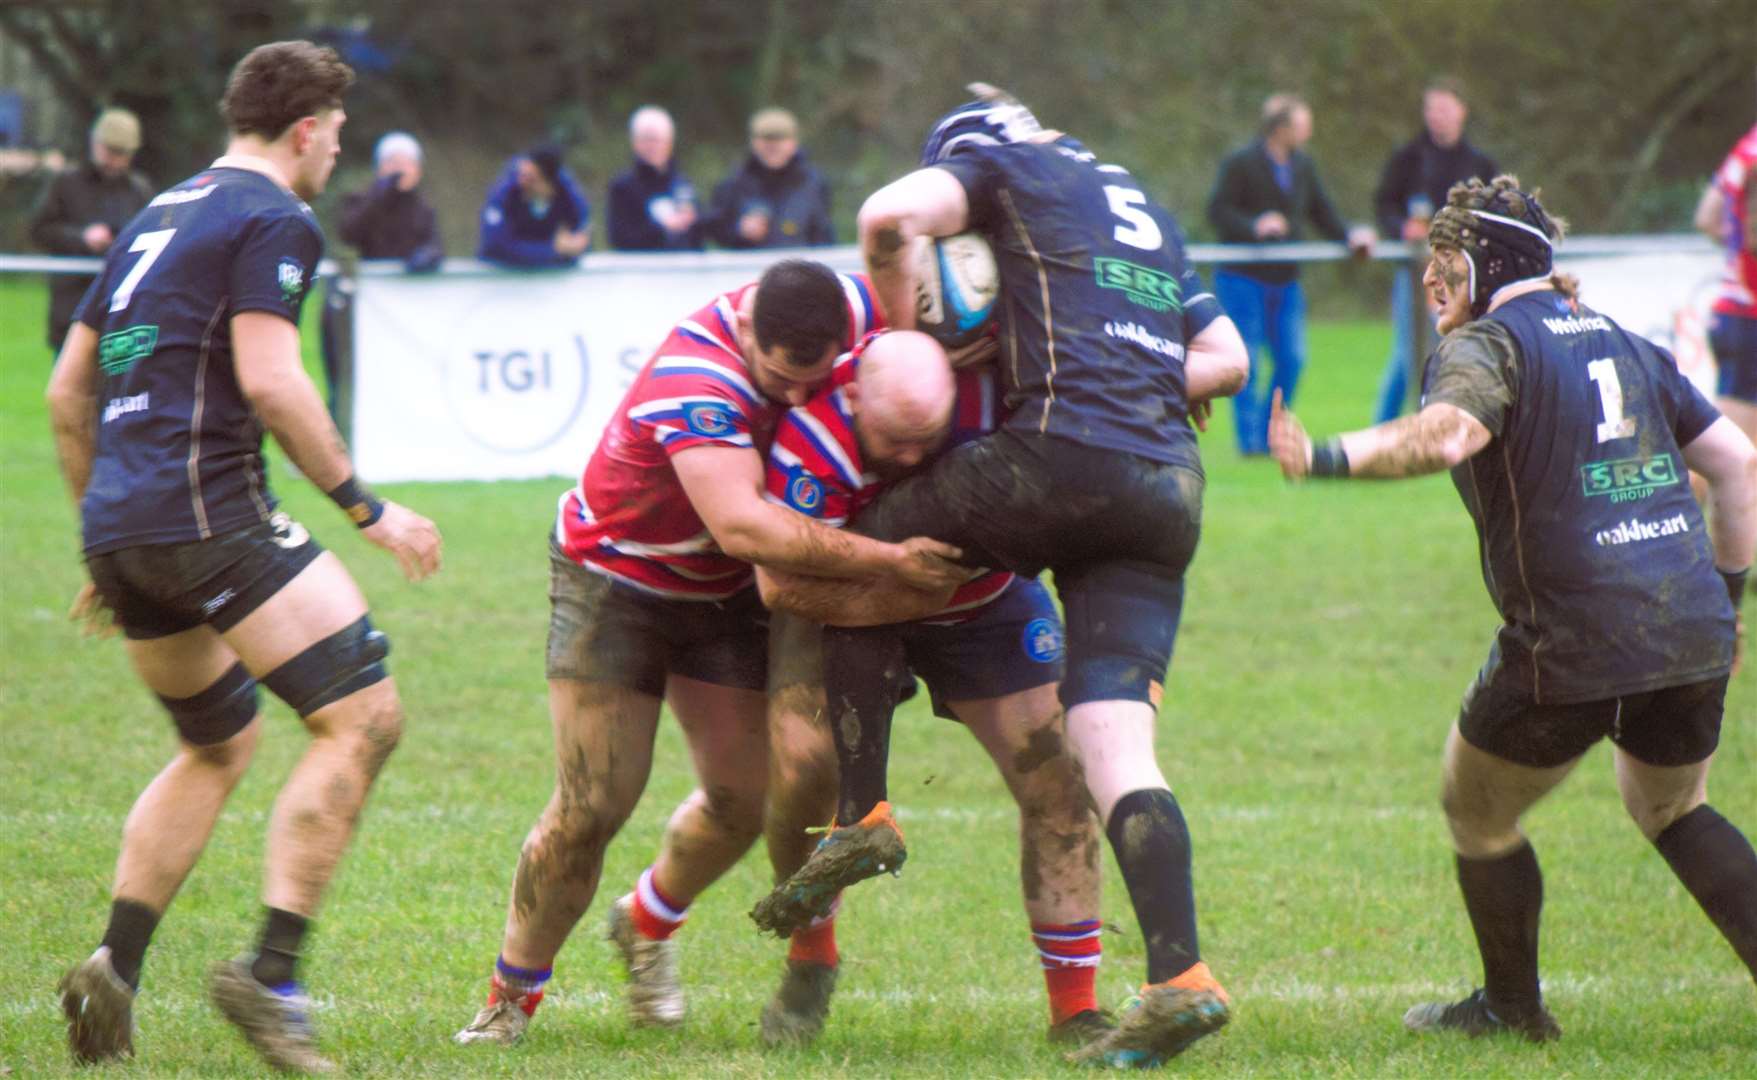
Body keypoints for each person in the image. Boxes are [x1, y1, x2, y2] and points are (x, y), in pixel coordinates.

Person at [752, 84, 1252, 1069]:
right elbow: (1224, 359)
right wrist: (1136, 380)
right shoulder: (1141, 204)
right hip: (1164, 488)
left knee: (867, 563)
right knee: (1111, 747)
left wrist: (909, 340)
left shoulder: (997, 165)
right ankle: (1178, 978)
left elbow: (888, 218)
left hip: (1053, 454)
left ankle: (863, 815)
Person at [1269, 175, 1757, 1042]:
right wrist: (1726, 603)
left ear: (1482, 263)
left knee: (1475, 809)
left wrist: (1325, 454)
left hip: (1569, 637)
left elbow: (1448, 434)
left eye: (1441, 262)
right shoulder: (1624, 339)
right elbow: (1735, 463)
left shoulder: (1488, 345)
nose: (1428, 282)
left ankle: (1511, 1010)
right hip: (1687, 621)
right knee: (1673, 809)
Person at [46, 41, 443, 1073]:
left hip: (128, 526)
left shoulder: (154, 213)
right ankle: (271, 978)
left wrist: (104, 532)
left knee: (217, 743)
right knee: (362, 716)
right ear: (307, 127)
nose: (337, 155)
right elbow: (272, 380)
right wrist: (367, 508)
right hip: (208, 513)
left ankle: (113, 964)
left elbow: (65, 393)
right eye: (339, 136)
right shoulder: (275, 217)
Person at [451, 259, 966, 1047]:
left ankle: (646, 924)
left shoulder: (859, 308)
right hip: (619, 582)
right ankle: (507, 1002)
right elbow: (744, 528)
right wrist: (889, 562)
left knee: (742, 799)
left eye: (814, 380)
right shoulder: (697, 378)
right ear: (750, 328)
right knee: (592, 805)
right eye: (779, 378)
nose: (797, 399)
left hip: (724, 598)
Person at [749, 329, 1108, 1048]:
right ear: (851, 396)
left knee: (1060, 785)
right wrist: (891, 585)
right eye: (894, 443)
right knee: (808, 776)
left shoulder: (997, 396)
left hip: (986, 603)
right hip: (846, 606)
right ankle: (809, 959)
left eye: (927, 440)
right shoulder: (811, 445)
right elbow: (782, 585)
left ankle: (1076, 1011)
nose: (912, 459)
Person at [1206, 93, 1374, 455]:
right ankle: (1250, 445)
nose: (1307, 131)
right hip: (1243, 278)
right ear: (1281, 129)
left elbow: (1321, 211)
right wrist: (1255, 226)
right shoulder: (1241, 162)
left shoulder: (1303, 165)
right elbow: (1217, 211)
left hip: (1285, 279)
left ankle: (1270, 433)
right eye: (1301, 124)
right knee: (1246, 360)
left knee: (1292, 357)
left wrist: (1349, 236)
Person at [1371, 79, 1499, 423]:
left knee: (1460, 345)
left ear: (1461, 111)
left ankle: (1450, 420)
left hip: (1463, 273)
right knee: (1408, 351)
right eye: (1431, 109)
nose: (1437, 117)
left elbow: (1495, 214)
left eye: (1444, 108)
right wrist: (1401, 228)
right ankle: (1384, 428)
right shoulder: (1408, 159)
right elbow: (1384, 204)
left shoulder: (1480, 164)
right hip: (1416, 272)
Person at [322, 131, 443, 423]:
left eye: (406, 163)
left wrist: (426, 258)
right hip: (365, 303)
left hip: (405, 308)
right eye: (392, 162)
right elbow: (349, 232)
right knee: (348, 373)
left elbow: (435, 246)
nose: (400, 169)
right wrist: (382, 192)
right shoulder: (362, 200)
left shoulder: (424, 208)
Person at [28, 107, 153, 352]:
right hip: (72, 308)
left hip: (121, 315)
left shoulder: (140, 190)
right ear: (95, 143)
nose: (114, 160)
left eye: (122, 153)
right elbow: (39, 229)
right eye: (110, 150)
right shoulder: (65, 183)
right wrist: (82, 238)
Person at [1696, 117, 1757, 460]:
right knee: (1737, 462)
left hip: (1734, 314)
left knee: (1738, 460)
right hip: (1751, 316)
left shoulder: (1747, 143)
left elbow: (1707, 217)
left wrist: (1736, 253)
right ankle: (1662, 507)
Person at [706, 107, 834, 249]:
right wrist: (739, 231)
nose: (773, 147)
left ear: (794, 143)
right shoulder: (734, 183)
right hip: (747, 268)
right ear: (754, 143)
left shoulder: (813, 184)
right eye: (766, 140)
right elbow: (715, 229)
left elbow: (824, 235)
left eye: (779, 140)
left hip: (797, 266)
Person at [476, 143, 590, 267]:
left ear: (549, 184)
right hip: (501, 275)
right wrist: (551, 250)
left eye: (531, 179)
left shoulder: (569, 197)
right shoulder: (504, 194)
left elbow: (579, 240)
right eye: (522, 175)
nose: (521, 182)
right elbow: (495, 246)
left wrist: (575, 246)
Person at [607, 105, 703, 251]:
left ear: (670, 143)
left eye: (658, 140)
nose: (652, 146)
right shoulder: (622, 187)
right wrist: (663, 229)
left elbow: (698, 238)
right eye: (646, 140)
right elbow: (618, 237)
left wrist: (693, 222)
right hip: (640, 270)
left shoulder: (683, 184)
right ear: (635, 143)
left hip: (684, 269)